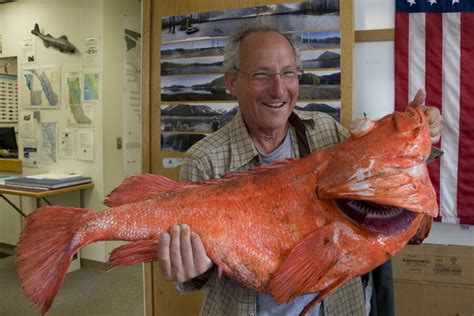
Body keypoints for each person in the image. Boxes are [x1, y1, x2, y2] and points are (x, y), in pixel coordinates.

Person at [157, 21, 443, 316]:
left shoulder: (327, 132)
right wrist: (193, 268)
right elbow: (190, 281)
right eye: (261, 75)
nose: (279, 89)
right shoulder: (204, 159)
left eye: (288, 73)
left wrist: (416, 137)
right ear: (232, 82)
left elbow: (384, 178)